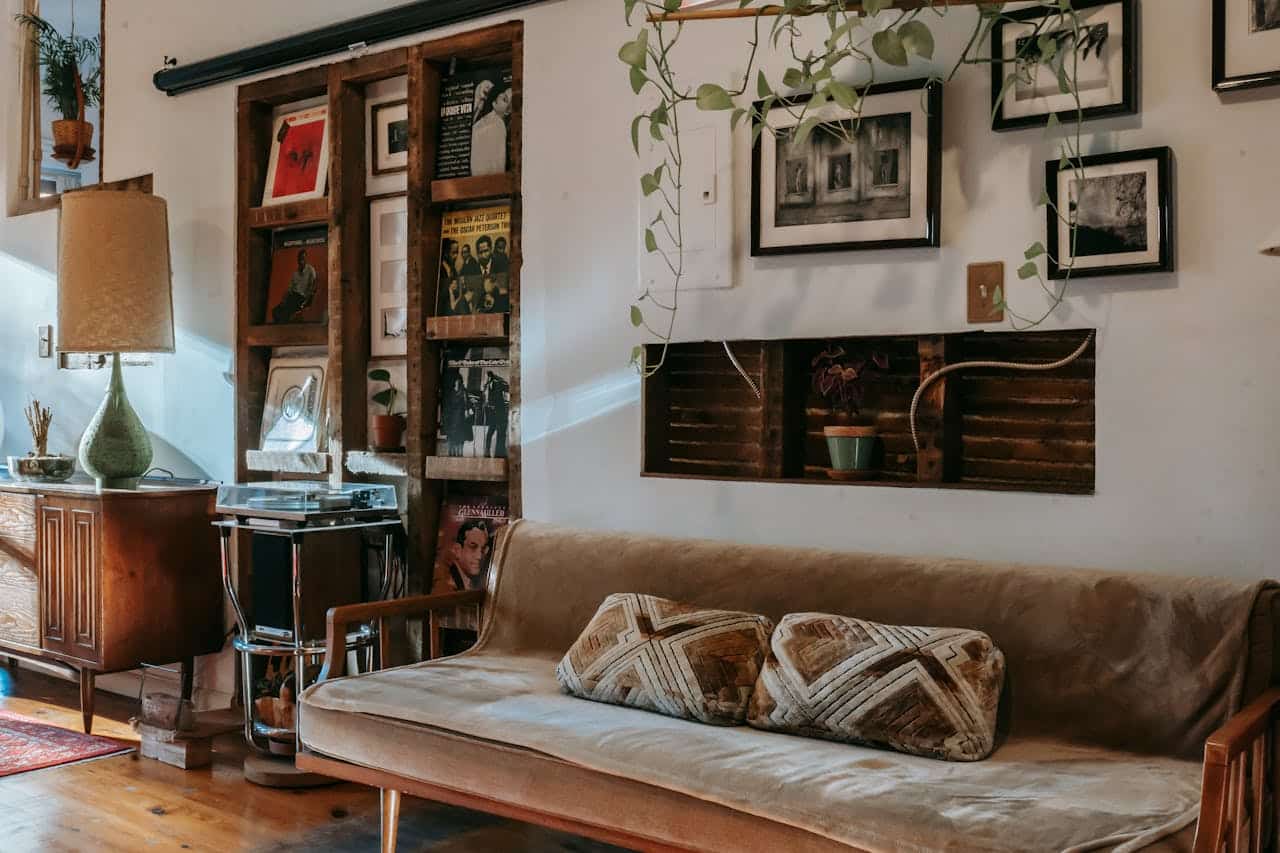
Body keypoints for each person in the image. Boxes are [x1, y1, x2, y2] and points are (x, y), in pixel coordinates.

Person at [470, 79, 511, 176]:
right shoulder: (490, 117)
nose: (500, 96)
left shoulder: (498, 127)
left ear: (507, 112)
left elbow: (496, 167)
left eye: (505, 99)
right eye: (502, 93)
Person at [271, 248, 318, 322]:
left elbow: (314, 285)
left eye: (303, 258)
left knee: (286, 311)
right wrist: (285, 298)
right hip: (293, 296)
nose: (301, 261)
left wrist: (308, 299)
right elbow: (290, 288)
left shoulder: (310, 270)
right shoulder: (295, 274)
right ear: (297, 260)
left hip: (302, 297)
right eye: (299, 259)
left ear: (306, 259)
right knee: (275, 311)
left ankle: (284, 324)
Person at [445, 518, 491, 591]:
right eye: (473, 547)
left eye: (483, 549)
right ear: (457, 550)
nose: (479, 556)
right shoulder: (447, 583)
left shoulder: (469, 582)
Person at [442, 373, 473, 456]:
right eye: (456, 381)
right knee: (451, 441)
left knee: (460, 441)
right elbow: (446, 407)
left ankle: (459, 456)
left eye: (459, 381)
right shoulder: (450, 393)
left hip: (460, 420)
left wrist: (469, 410)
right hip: (451, 420)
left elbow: (468, 404)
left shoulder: (464, 392)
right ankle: (451, 455)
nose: (458, 383)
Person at [483, 370, 509, 458]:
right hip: (494, 413)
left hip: (499, 412)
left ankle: (498, 453)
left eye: (488, 377)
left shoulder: (497, 383)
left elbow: (507, 388)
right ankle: (488, 452)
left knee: (499, 433)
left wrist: (499, 379)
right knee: (491, 433)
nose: (487, 379)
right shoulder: (488, 386)